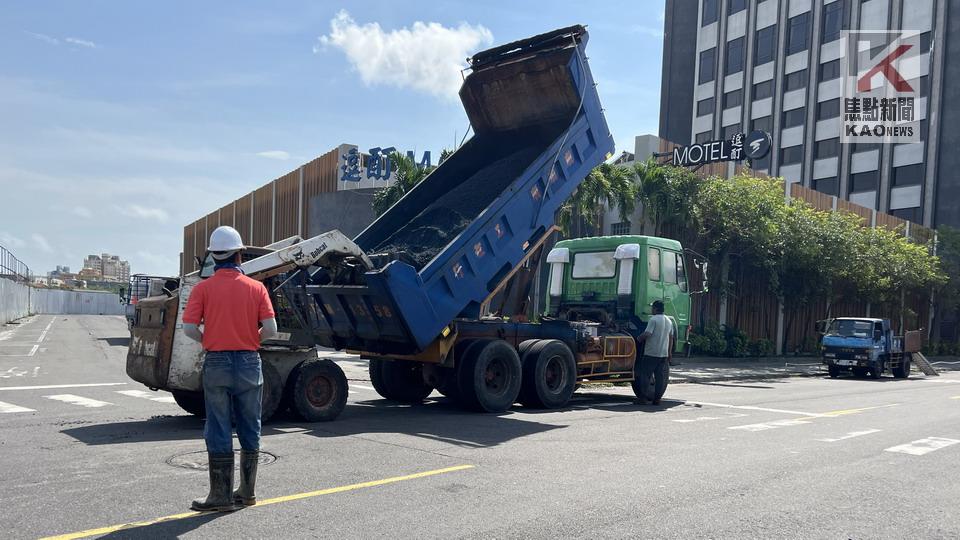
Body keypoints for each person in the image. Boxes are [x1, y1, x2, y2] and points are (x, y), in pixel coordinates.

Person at [182, 225, 278, 512]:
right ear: (239, 255)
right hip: (250, 361)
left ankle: (220, 496)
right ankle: (247, 492)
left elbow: (188, 329)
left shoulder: (203, 288)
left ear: (214, 257)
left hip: (218, 361)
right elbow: (271, 329)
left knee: (218, 426)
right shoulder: (257, 287)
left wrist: (209, 339)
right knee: (251, 425)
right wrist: (251, 340)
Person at [634, 300, 676, 405]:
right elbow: (671, 338)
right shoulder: (669, 320)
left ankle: (642, 398)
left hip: (651, 353)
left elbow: (648, 333)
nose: (651, 310)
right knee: (660, 377)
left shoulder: (653, 319)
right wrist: (669, 353)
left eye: (653, 308)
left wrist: (638, 339)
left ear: (656, 309)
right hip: (663, 354)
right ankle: (657, 399)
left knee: (645, 375)